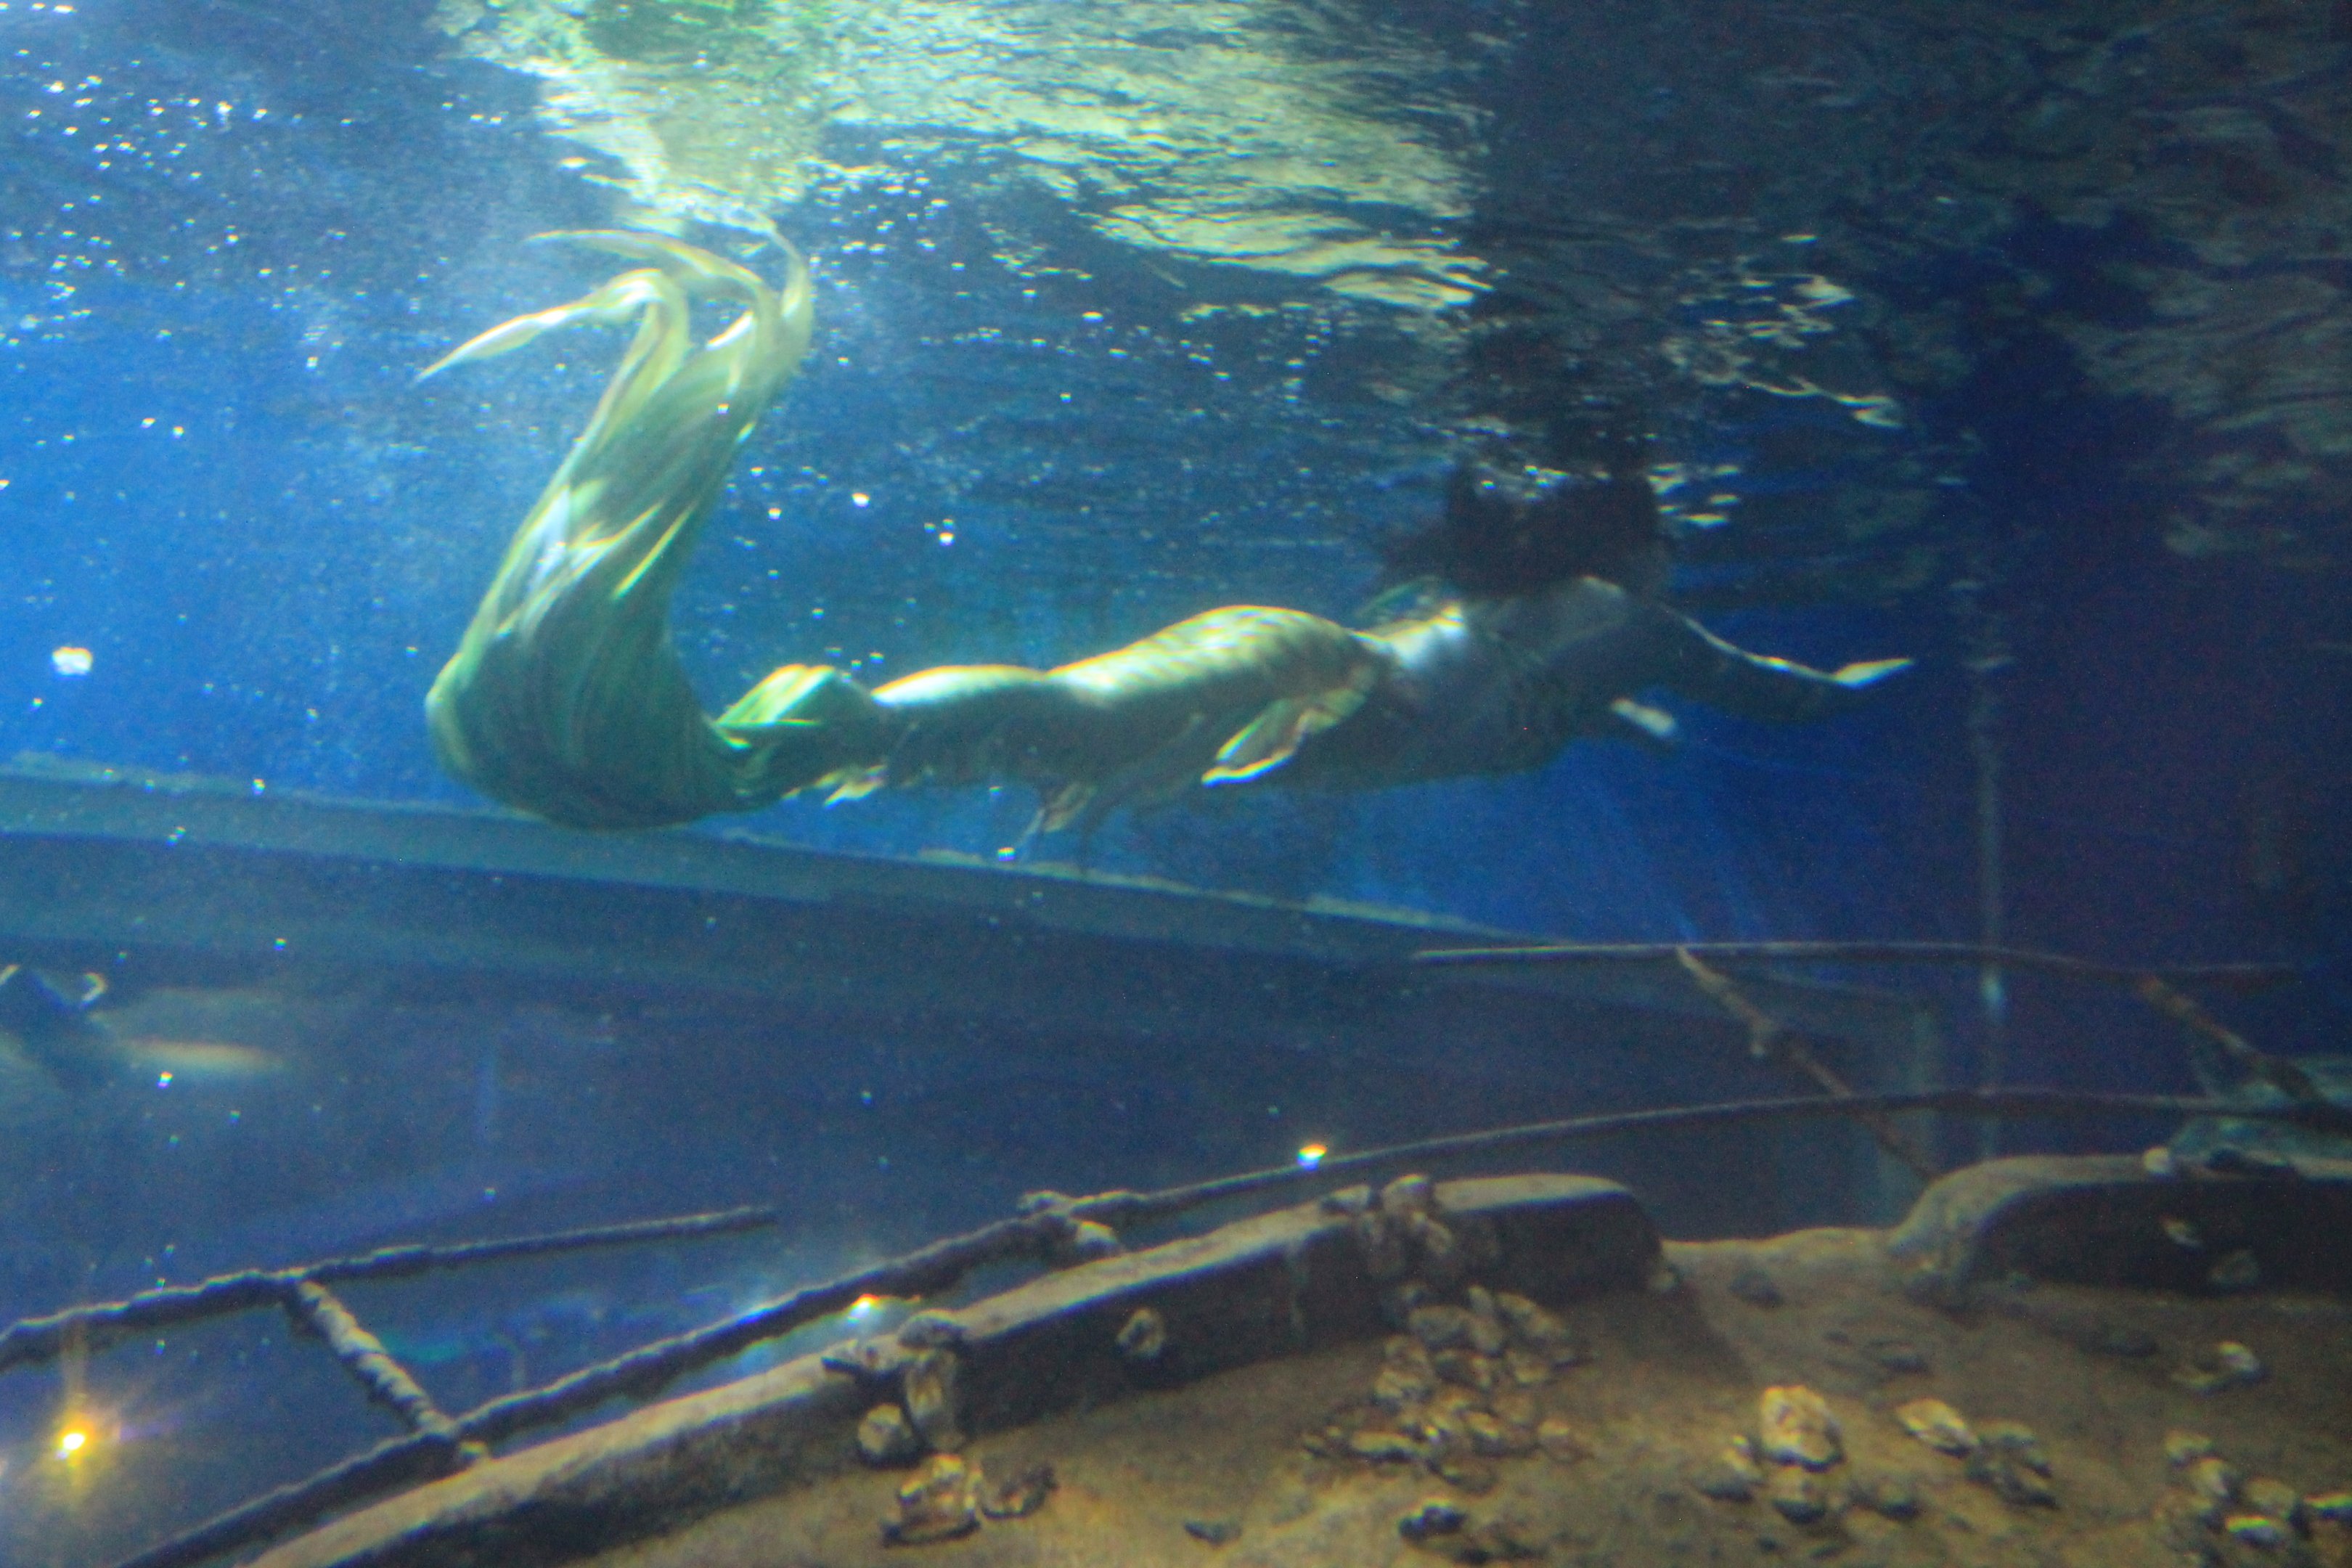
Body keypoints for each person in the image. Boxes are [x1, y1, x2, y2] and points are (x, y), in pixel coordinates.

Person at [424, 236, 1906, 836]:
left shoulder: (1596, 644)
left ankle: (820, 735)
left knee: (1071, 725)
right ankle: (807, 734)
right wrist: (1849, 693)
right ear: (1642, 544)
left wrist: (1624, 722)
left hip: (1329, 684)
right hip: (1330, 681)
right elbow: (1748, 683)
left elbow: (1583, 701)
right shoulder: (1638, 624)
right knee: (1072, 714)